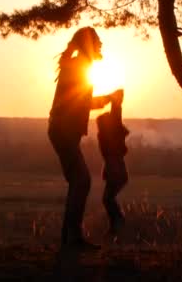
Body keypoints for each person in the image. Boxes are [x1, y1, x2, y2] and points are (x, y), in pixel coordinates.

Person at [48, 26, 118, 250]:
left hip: (63, 130)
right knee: (82, 181)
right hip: (64, 130)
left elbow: (81, 101)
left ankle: (69, 238)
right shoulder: (79, 66)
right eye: (97, 41)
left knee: (78, 182)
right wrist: (109, 98)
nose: (100, 45)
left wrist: (106, 99)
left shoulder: (79, 65)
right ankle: (71, 238)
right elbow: (81, 102)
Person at [96, 89, 129, 236]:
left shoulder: (111, 132)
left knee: (107, 199)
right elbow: (116, 114)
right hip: (116, 172)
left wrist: (116, 100)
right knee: (107, 199)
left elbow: (116, 114)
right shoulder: (109, 133)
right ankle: (116, 225)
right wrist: (115, 99)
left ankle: (117, 224)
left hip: (116, 172)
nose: (99, 121)